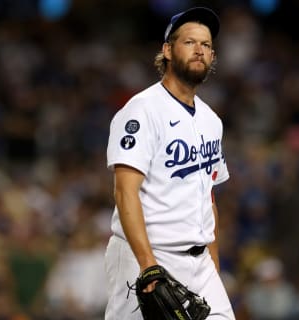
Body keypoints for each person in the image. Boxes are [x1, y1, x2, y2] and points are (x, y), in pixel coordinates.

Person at [105, 7, 236, 319]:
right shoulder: (142, 111)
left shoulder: (211, 120)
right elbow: (125, 192)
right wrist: (148, 264)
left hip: (199, 260)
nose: (199, 50)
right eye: (190, 42)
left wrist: (213, 266)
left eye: (206, 45)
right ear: (167, 50)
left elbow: (209, 198)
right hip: (146, 255)